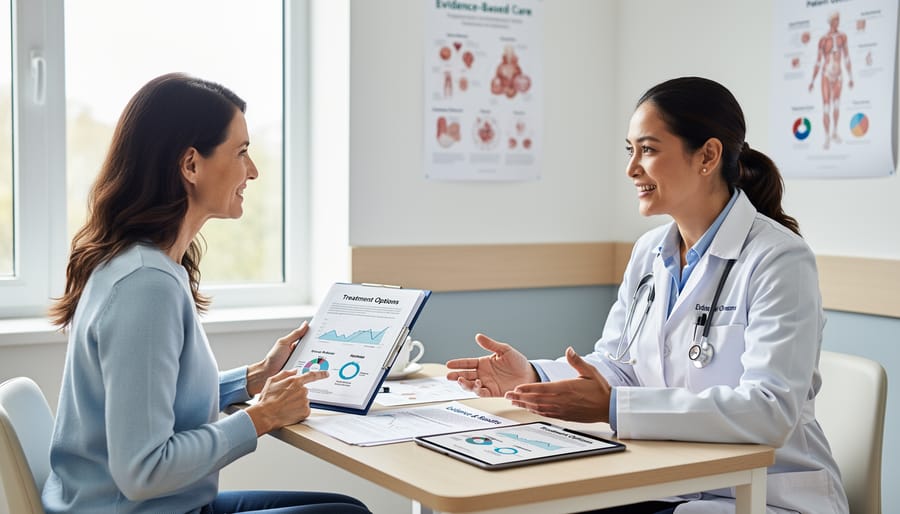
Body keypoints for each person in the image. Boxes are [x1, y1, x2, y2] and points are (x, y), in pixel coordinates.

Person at [447, 77, 849, 514]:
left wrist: (617, 407)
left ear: (708, 156)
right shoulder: (650, 252)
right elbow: (618, 365)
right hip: (671, 481)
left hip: (764, 495)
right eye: (630, 150)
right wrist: (534, 378)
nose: (631, 168)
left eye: (649, 150)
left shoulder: (778, 259)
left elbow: (768, 411)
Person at [43, 73, 370, 514]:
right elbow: (143, 471)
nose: (252, 171)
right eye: (241, 153)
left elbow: (152, 406)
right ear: (191, 165)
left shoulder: (144, 266)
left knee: (344, 507)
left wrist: (253, 378)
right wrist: (262, 416)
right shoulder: (146, 287)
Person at [808, 11, 853, 150]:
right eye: (835, 20)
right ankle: (827, 137)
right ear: (831, 21)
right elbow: (818, 61)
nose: (837, 22)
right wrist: (812, 81)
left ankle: (834, 132)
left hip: (838, 75)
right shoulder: (823, 40)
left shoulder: (842, 37)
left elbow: (846, 57)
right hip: (826, 75)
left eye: (838, 20)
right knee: (826, 107)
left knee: (837, 105)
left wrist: (851, 77)